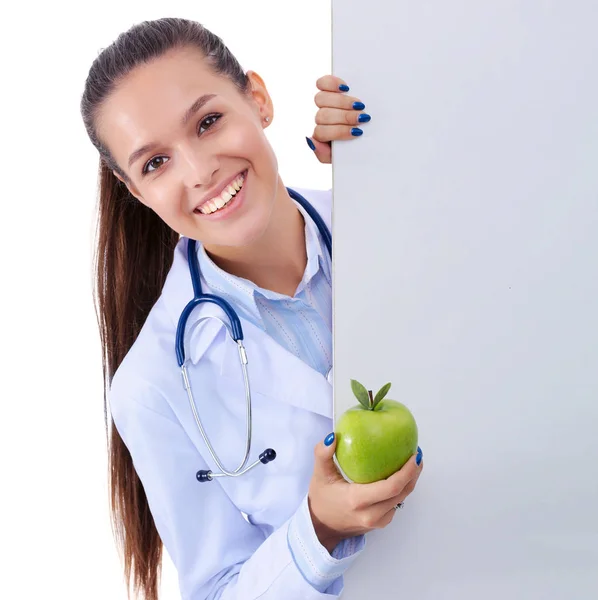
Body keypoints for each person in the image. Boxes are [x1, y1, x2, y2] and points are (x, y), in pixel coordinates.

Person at [80, 17, 424, 600]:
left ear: (258, 99)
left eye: (208, 122)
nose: (199, 171)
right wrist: (319, 528)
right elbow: (216, 589)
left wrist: (392, 149)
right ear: (136, 191)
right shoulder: (151, 383)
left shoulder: (391, 220)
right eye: (155, 163)